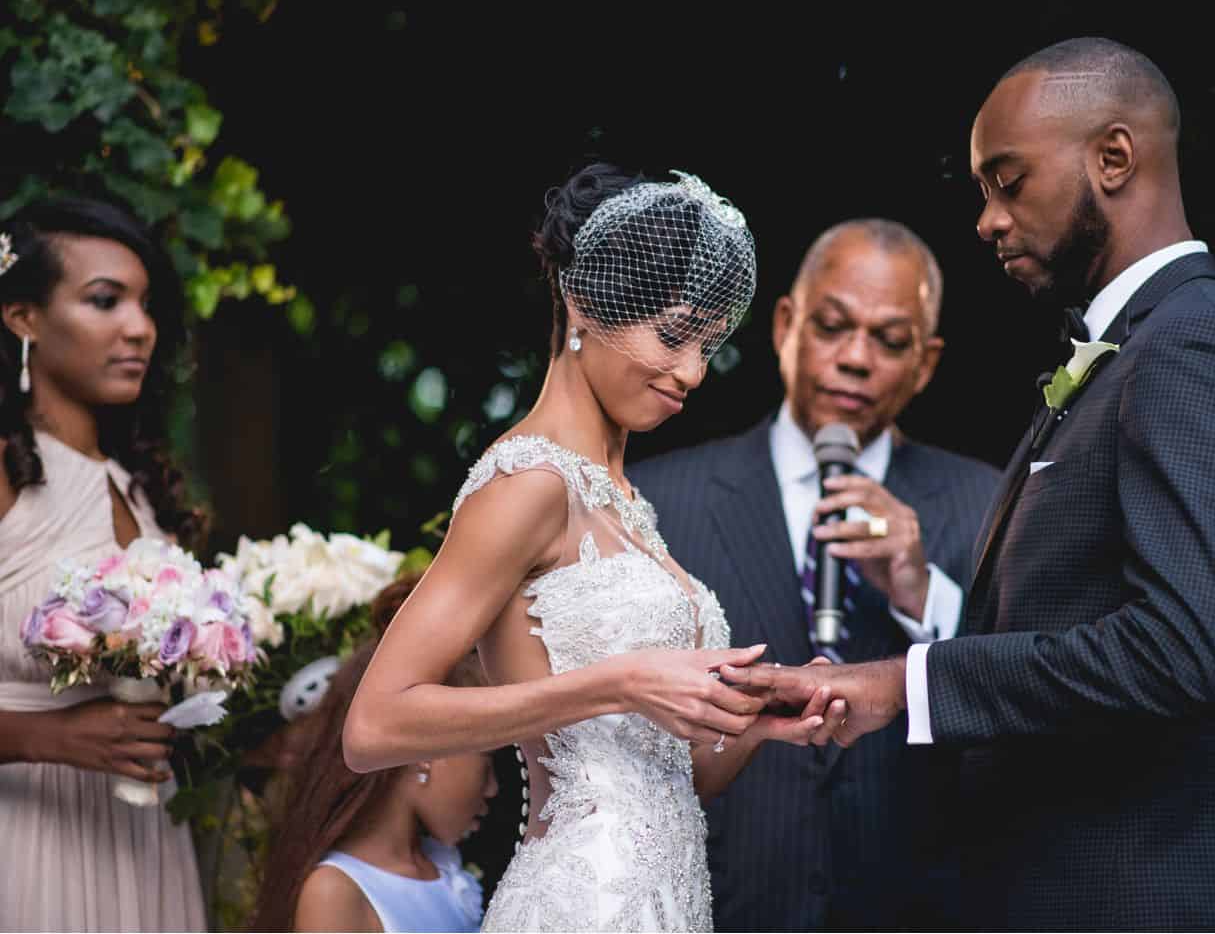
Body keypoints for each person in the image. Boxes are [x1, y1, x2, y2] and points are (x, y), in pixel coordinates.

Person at [723, 37, 1215, 928]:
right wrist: (925, 606)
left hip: (1151, 898)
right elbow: (1072, 627)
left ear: (1114, 157)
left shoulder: (1191, 344)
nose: (987, 221)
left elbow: (1177, 651)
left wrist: (904, 683)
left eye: (1008, 182)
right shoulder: (1125, 353)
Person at [342, 164, 835, 932]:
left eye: (708, 345)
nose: (692, 372)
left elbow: (662, 785)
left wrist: (753, 722)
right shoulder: (528, 482)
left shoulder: (628, 504)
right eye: (672, 335)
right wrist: (621, 682)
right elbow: (374, 727)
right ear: (583, 301)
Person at [629, 219, 1000, 930]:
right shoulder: (661, 500)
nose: (855, 359)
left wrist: (923, 594)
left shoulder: (987, 504)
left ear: (925, 364)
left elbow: (1023, 701)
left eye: (890, 340)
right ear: (784, 326)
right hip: (725, 904)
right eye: (832, 327)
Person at [0, 198, 207, 930]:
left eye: (146, 305)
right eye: (104, 300)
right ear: (24, 318)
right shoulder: (5, 475)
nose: (139, 327)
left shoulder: (141, 489)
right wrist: (46, 737)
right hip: (29, 835)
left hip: (144, 837)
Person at [253, 593, 497, 933]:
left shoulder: (445, 869)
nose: (493, 788)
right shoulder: (335, 893)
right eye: (487, 760)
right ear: (426, 753)